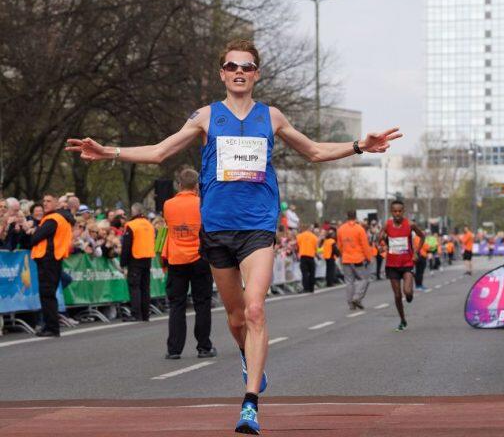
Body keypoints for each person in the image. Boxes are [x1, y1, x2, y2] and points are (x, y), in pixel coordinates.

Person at [66, 38, 401, 435]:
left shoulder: (271, 116)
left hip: (258, 227)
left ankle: (250, 403)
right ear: (222, 73)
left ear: (256, 74)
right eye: (232, 66)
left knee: (256, 309)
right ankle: (247, 354)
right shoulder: (206, 116)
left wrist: (359, 145)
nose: (239, 72)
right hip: (217, 229)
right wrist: (109, 152)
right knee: (237, 317)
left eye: (247, 66)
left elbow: (313, 151)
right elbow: (159, 152)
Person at [162, 168, 216, 360]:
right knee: (202, 303)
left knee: (177, 305)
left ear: (179, 185)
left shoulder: (168, 204)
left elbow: (167, 228)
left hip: (176, 259)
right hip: (200, 258)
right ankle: (204, 347)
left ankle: (174, 349)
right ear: (197, 186)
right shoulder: (202, 203)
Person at [30, 193, 74, 337]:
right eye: (44, 201)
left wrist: (34, 232)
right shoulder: (61, 219)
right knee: (49, 294)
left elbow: (35, 237)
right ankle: (50, 326)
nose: (45, 203)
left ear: (56, 203)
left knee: (47, 294)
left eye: (49, 201)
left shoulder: (52, 219)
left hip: (48, 259)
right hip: (54, 259)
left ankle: (51, 327)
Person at [379, 200, 424, 331]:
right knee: (398, 295)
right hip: (392, 265)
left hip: (407, 263)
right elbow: (379, 239)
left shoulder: (410, 224)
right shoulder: (387, 225)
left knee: (407, 292)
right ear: (391, 212)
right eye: (395, 211)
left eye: (400, 211)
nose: (397, 213)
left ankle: (410, 294)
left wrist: (416, 252)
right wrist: (382, 246)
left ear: (403, 211)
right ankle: (403, 320)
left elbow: (422, 237)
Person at [120, 203, 155, 322]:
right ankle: (146, 314)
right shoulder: (149, 225)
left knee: (134, 287)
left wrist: (123, 263)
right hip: (148, 258)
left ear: (134, 211)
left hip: (135, 258)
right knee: (145, 287)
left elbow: (126, 246)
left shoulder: (131, 225)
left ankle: (136, 314)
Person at [337, 210, 373, 310]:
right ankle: (357, 298)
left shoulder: (341, 229)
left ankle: (351, 304)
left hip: (346, 259)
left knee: (349, 282)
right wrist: (368, 257)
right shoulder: (359, 229)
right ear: (355, 217)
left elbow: (339, 245)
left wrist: (343, 254)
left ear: (347, 216)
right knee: (364, 279)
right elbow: (365, 245)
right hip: (358, 259)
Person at [296, 224, 319, 293]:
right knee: (312, 272)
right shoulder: (314, 237)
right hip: (311, 256)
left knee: (304, 273)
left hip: (303, 256)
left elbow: (298, 245)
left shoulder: (299, 236)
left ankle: (306, 288)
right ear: (310, 229)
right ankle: (311, 288)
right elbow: (316, 248)